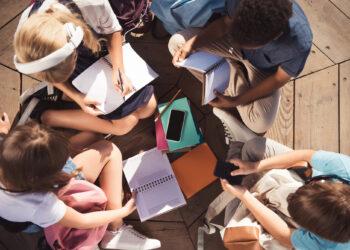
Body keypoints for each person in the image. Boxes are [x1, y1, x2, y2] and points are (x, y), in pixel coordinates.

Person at [0, 122, 161, 249]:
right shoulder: (43, 204)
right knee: (109, 150)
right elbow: (83, 221)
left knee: (92, 137)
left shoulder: (8, 158)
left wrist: (4, 134)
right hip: (36, 222)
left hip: (14, 213)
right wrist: (123, 211)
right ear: (49, 179)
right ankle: (114, 230)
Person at [169, 0, 313, 140]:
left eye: (250, 45)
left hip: (264, 70)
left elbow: (278, 79)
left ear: (274, 38)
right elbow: (224, 24)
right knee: (177, 44)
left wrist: (236, 101)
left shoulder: (300, 42)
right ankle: (227, 80)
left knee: (260, 123)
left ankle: (225, 79)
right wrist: (193, 44)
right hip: (231, 45)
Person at [13, 0, 157, 139]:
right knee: (124, 125)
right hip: (82, 63)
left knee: (148, 108)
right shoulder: (26, 37)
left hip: (98, 48)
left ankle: (61, 100)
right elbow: (43, 72)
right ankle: (49, 116)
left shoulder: (93, 4)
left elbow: (113, 30)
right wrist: (77, 97)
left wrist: (118, 69)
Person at [221, 137, 350, 249]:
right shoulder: (346, 169)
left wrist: (244, 196)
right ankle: (237, 152)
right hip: (304, 175)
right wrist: (255, 166)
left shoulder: (328, 246)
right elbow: (306, 155)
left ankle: (235, 148)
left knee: (232, 230)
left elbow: (285, 235)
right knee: (254, 147)